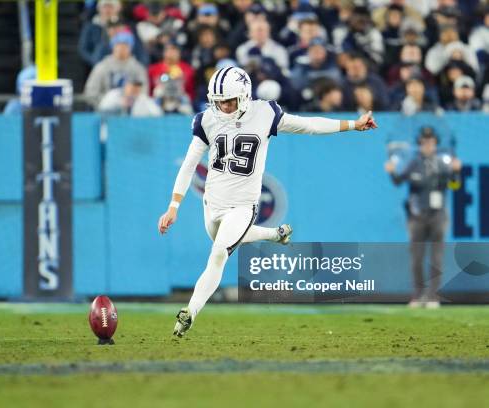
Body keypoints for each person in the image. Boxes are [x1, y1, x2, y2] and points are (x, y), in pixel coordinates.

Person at [158, 66, 378, 337]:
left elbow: (308, 125)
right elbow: (190, 164)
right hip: (212, 204)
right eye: (219, 102)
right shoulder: (207, 120)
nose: (224, 107)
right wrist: (174, 206)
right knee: (226, 240)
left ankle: (189, 313)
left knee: (218, 253)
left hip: (243, 205)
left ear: (244, 95)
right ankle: (275, 235)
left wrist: (352, 125)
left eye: (229, 101)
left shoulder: (264, 113)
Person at [384, 127, 461, 309]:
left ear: (435, 143)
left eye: (431, 141)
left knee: (437, 258)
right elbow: (398, 181)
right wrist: (392, 171)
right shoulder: (414, 162)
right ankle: (418, 296)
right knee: (417, 258)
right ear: (420, 144)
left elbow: (455, 184)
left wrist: (456, 171)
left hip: (438, 215)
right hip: (416, 216)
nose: (427, 145)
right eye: (424, 142)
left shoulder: (443, 162)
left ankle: (433, 296)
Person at [82, 30, 148, 109]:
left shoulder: (137, 68)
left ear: (131, 47)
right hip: (106, 110)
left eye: (125, 45)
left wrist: (129, 102)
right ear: (113, 46)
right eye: (118, 44)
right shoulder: (102, 66)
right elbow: (90, 93)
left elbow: (143, 92)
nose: (122, 48)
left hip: (132, 111)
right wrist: (108, 101)